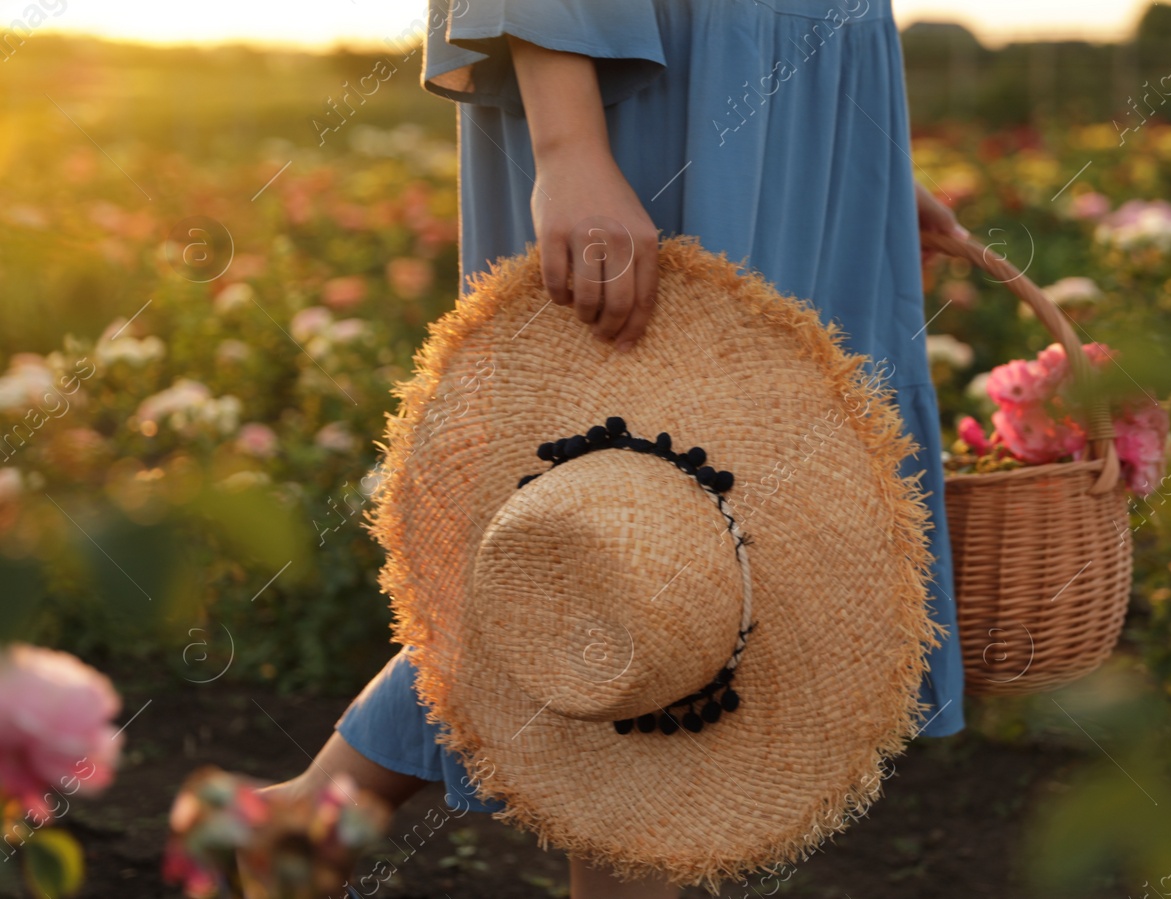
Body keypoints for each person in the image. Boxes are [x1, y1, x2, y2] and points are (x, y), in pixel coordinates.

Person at [264, 1, 967, 895]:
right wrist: (568, 148)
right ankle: (304, 825)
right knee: (638, 529)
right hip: (655, 67)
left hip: (798, 88)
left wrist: (862, 156)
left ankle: (301, 828)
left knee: (722, 539)